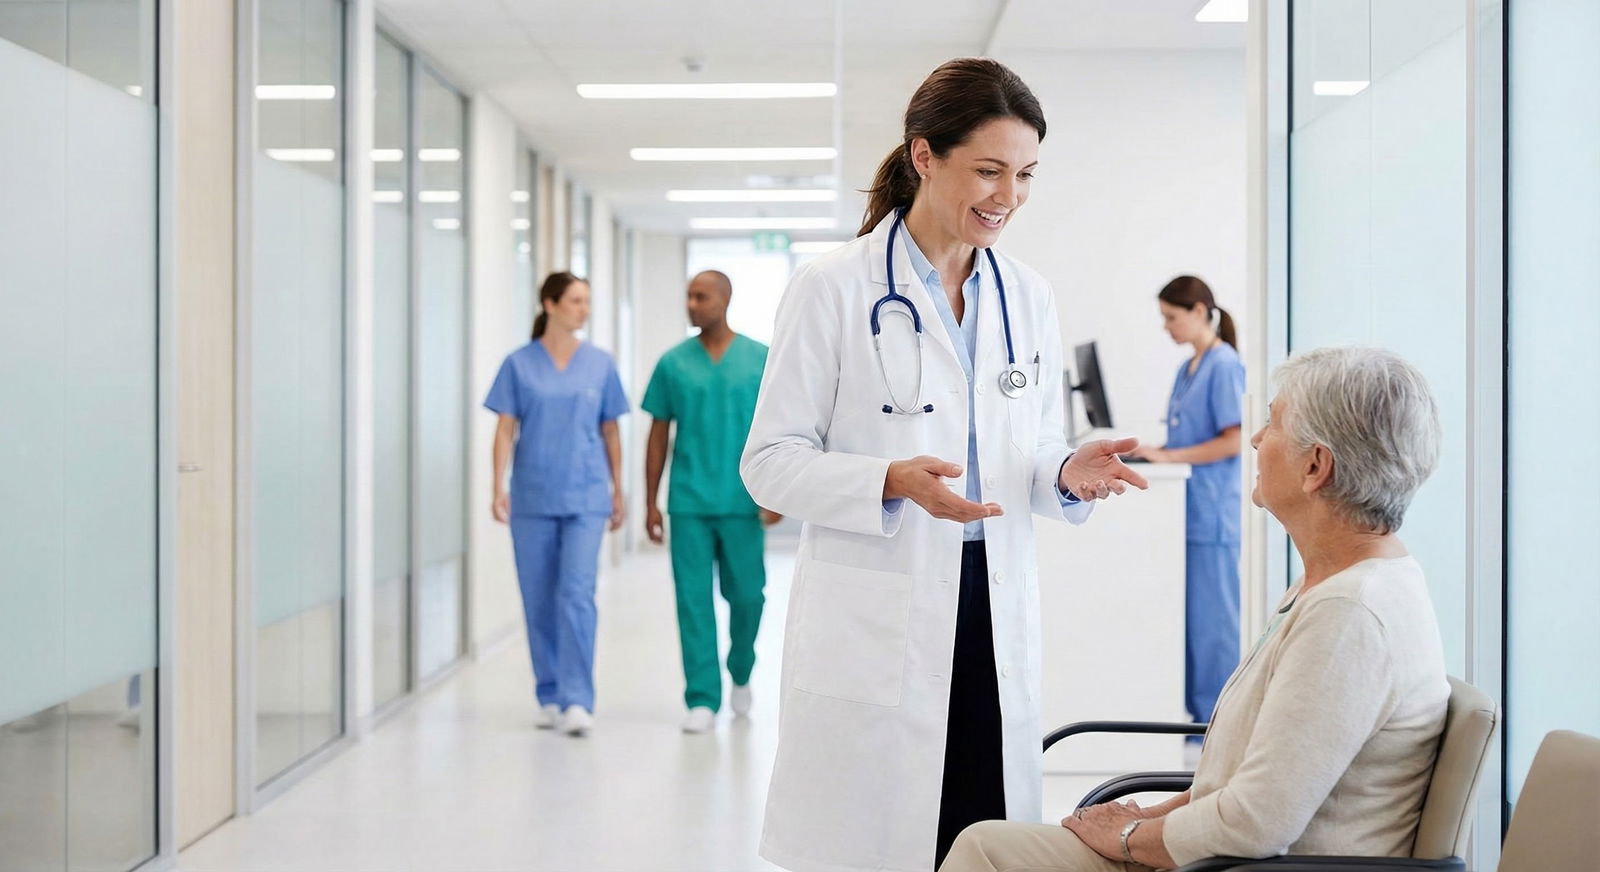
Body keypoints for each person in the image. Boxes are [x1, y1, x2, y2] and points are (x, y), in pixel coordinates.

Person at [740, 57, 1149, 872]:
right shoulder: (834, 288)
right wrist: (886, 480)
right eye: (989, 170)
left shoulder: (1025, 293)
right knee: (882, 838)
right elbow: (769, 463)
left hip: (991, 603)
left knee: (981, 828)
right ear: (924, 156)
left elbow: (1025, 444)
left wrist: (1066, 468)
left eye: (1026, 175)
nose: (1009, 196)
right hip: (879, 605)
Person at [943, 347, 1449, 872]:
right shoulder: (1335, 585)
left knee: (987, 852)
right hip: (1222, 856)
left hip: (1245, 864)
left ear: (1315, 466)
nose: (1255, 439)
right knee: (986, 844)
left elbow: (1254, 821)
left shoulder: (1350, 616)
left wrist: (1129, 837)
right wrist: (1149, 817)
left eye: (1272, 423)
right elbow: (1249, 782)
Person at [485, 271, 628, 738]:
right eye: (575, 301)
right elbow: (505, 428)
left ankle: (578, 699)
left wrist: (617, 488)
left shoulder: (600, 364)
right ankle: (548, 693)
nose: (583, 309)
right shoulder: (518, 364)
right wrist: (497, 485)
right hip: (532, 496)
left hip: (586, 496)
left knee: (577, 595)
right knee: (538, 596)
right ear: (549, 305)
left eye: (587, 301)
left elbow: (610, 429)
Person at [642, 269, 780, 735]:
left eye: (701, 296)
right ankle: (702, 696)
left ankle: (741, 670)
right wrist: (650, 502)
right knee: (693, 601)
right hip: (689, 504)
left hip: (743, 503)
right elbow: (658, 433)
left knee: (748, 596)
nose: (692, 304)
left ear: (725, 299)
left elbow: (780, 430)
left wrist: (778, 491)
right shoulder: (673, 363)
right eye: (688, 296)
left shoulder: (761, 360)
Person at [1127, 275, 1247, 738]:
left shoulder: (1224, 365)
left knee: (1214, 628)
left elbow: (1234, 439)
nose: (1166, 327)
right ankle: (1198, 725)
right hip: (1187, 512)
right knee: (1194, 627)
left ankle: (1217, 731)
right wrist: (1156, 451)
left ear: (1199, 312)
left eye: (1171, 317)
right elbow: (1185, 437)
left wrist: (1170, 456)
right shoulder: (1189, 367)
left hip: (1212, 514)